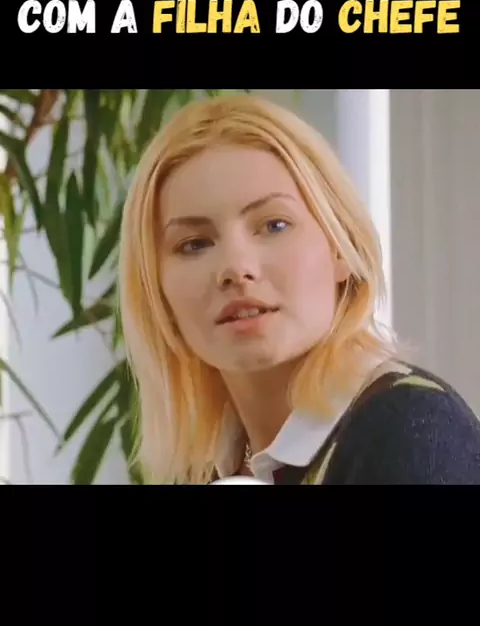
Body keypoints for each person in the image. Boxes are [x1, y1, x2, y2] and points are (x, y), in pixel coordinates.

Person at [118, 93, 480, 485]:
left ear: (340, 246)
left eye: (274, 225)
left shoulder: (412, 434)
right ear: (157, 290)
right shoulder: (210, 467)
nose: (236, 268)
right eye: (194, 244)